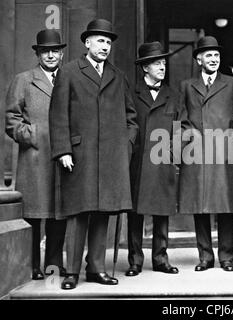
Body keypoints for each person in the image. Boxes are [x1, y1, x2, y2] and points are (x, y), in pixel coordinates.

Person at [49, 19, 138, 290]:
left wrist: (125, 146)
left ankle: (96, 269)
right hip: (79, 155)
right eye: (100, 41)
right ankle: (72, 272)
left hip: (111, 157)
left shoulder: (118, 75)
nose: (105, 46)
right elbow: (58, 115)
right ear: (87, 43)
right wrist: (63, 149)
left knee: (103, 213)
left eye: (109, 42)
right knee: (78, 213)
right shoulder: (69, 72)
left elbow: (131, 118)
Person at [5, 29, 67, 280]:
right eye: (45, 51)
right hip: (34, 158)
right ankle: (32, 266)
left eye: (55, 51)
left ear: (61, 54)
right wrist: (32, 134)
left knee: (58, 213)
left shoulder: (68, 78)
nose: (50, 55)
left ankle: (53, 265)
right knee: (33, 214)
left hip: (63, 156)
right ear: (38, 54)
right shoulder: (24, 79)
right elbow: (11, 118)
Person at [179, 36, 233, 272]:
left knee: (226, 206)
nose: (214, 59)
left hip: (224, 152)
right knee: (200, 205)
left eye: (216, 55)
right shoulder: (186, 85)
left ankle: (226, 256)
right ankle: (205, 256)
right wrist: (189, 137)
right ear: (199, 59)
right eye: (209, 55)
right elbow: (181, 117)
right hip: (196, 153)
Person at [126, 41, 188, 276]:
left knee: (162, 211)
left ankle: (161, 259)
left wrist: (173, 152)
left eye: (163, 63)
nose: (162, 67)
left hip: (163, 160)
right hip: (138, 162)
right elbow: (125, 124)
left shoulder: (174, 94)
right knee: (135, 213)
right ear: (145, 68)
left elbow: (183, 126)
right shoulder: (131, 93)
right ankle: (135, 260)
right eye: (156, 63)